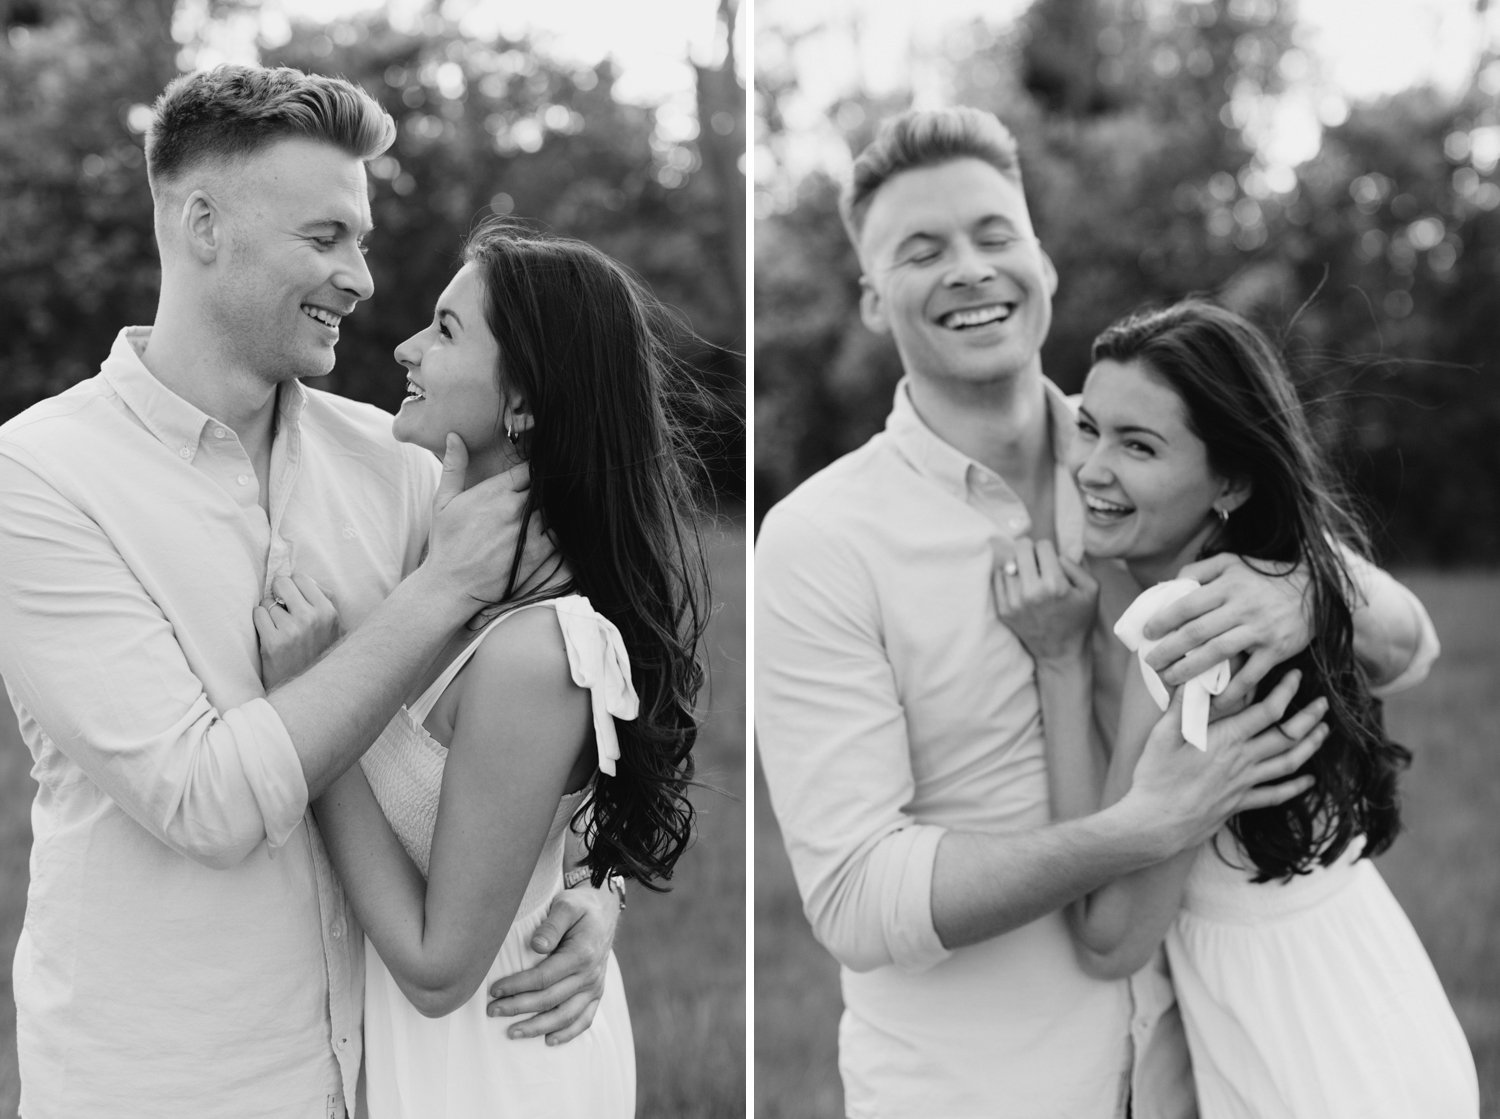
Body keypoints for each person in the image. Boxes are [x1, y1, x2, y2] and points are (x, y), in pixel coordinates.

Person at [754, 106, 1439, 1118]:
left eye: (995, 235)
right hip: (975, 1092)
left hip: (1196, 1071)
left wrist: (1299, 591)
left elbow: (1410, 644)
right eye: (922, 249)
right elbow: (856, 898)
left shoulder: (1145, 454)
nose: (971, 269)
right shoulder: (820, 541)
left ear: (1043, 259)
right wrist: (1142, 827)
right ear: (870, 298)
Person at [0, 65, 620, 1119]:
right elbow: (206, 802)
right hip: (168, 1084)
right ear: (203, 226)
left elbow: (570, 678)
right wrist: (441, 591)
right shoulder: (40, 478)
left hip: (389, 1079)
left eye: (364, 242)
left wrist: (584, 890)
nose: (364, 278)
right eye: (326, 238)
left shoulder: (401, 465)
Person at [258, 220, 710, 1118]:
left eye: (447, 329)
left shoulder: (534, 650)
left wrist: (306, 718)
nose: (406, 346)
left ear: (526, 403)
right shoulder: (453, 563)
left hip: (493, 1062)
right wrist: (598, 882)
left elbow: (438, 968)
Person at [997, 299, 1476, 1118]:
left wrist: (1059, 664)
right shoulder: (1286, 565)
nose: (1091, 467)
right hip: (1388, 1004)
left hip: (1299, 1056)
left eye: (1138, 445)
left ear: (1231, 480)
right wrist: (1311, 580)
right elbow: (1412, 647)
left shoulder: (1188, 626)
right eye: (1088, 427)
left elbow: (1110, 934)